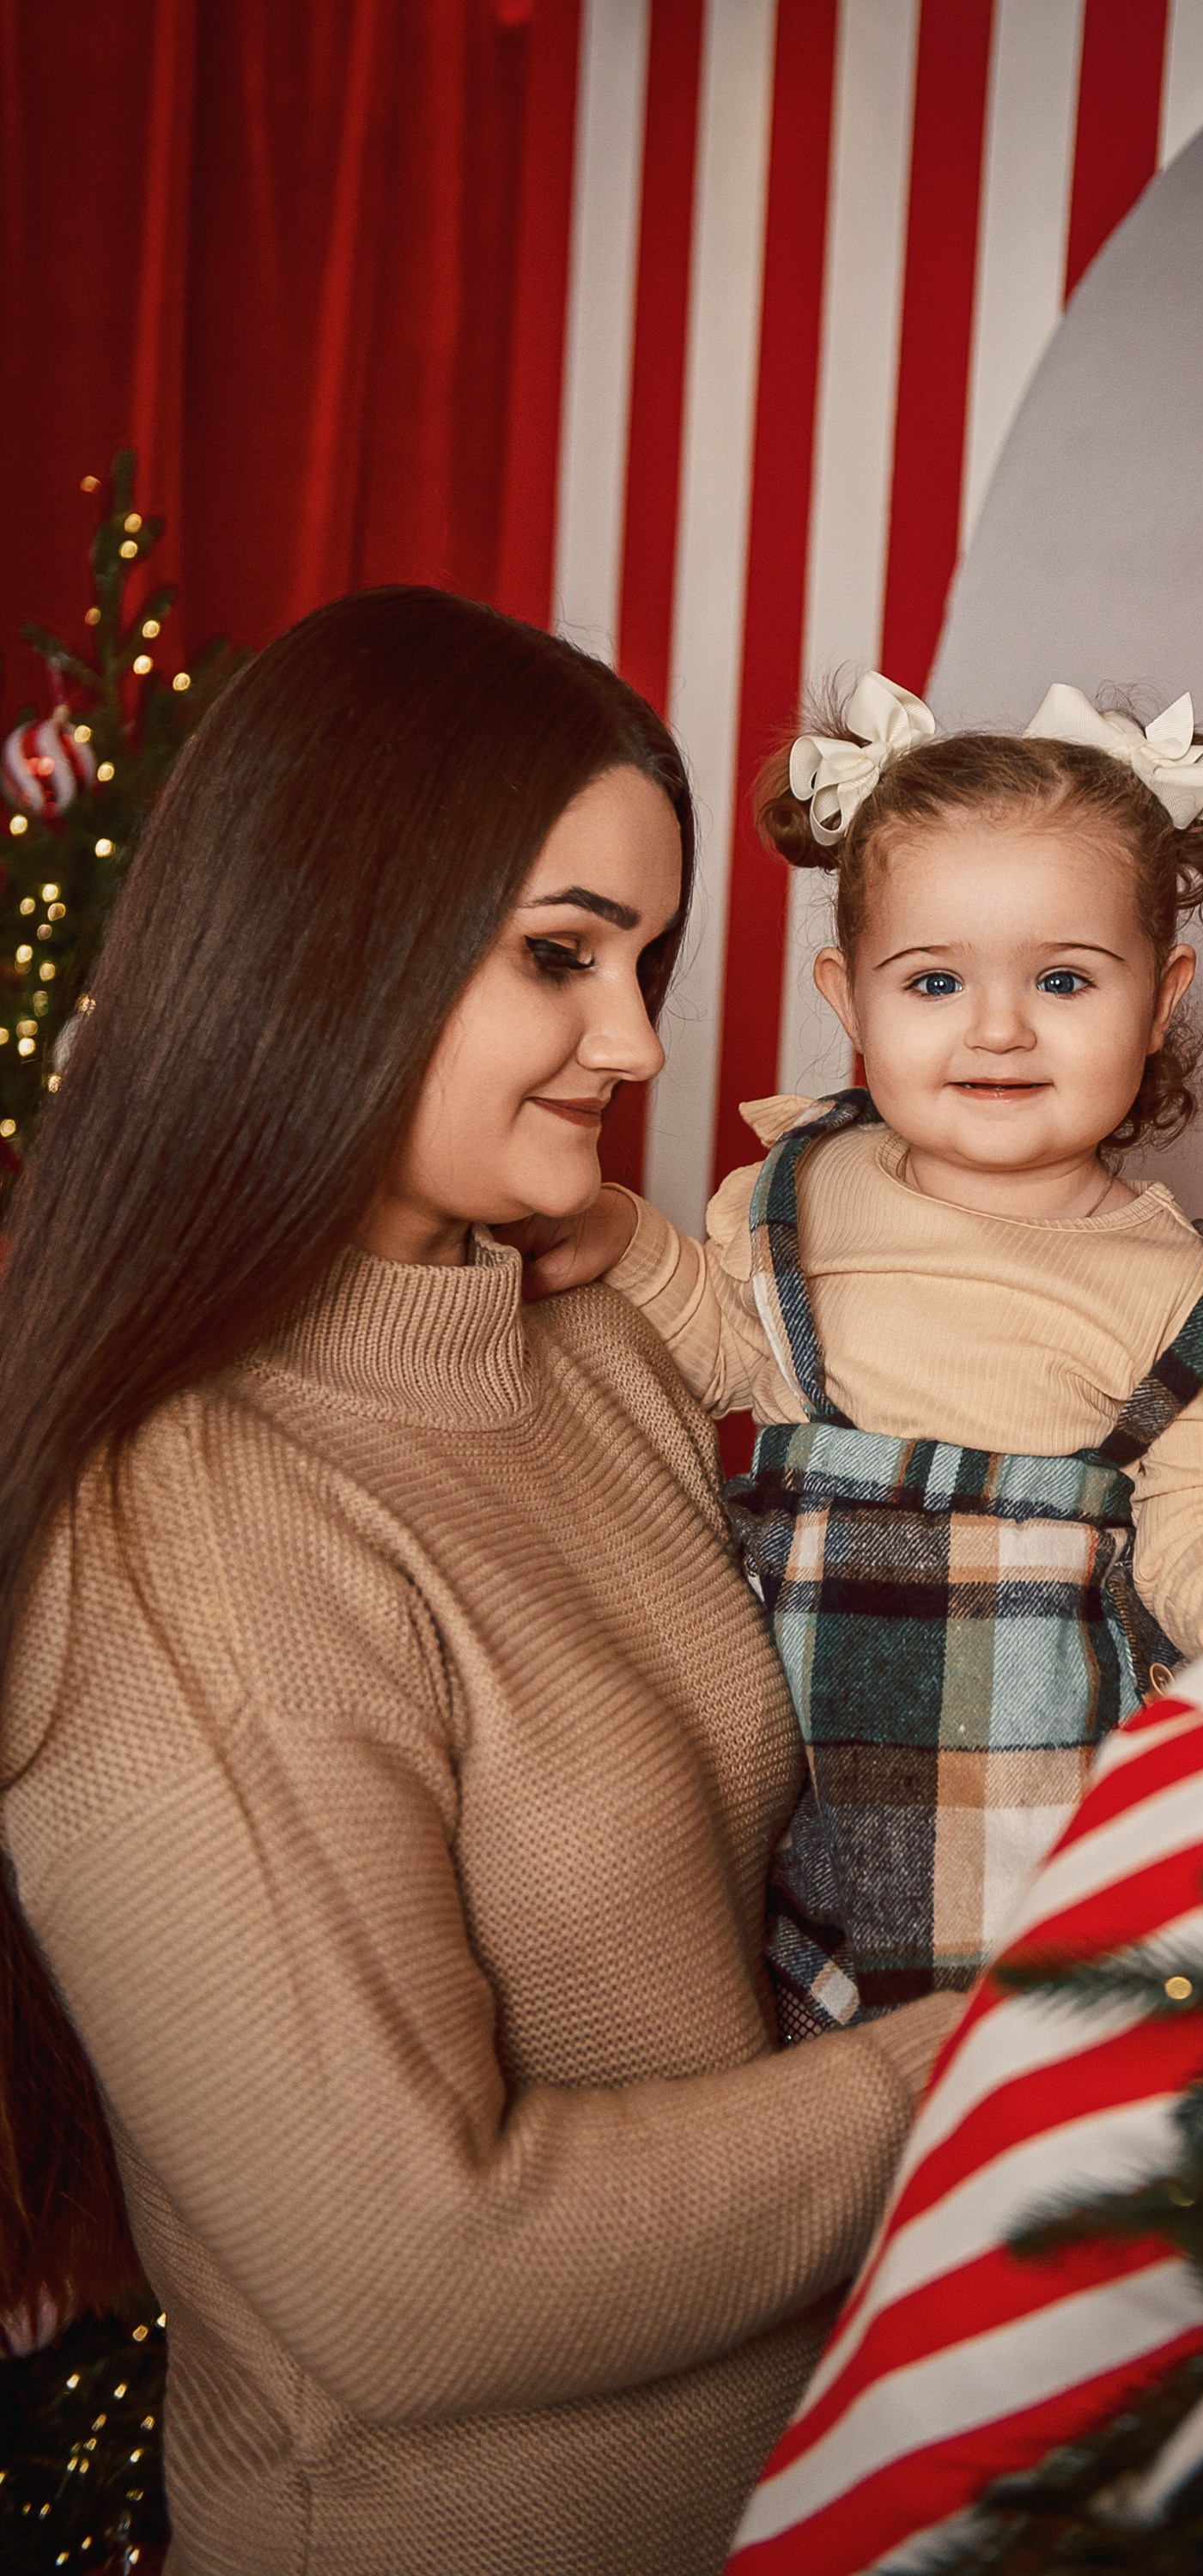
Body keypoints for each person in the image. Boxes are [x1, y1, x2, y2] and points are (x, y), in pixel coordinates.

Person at [0, 592, 957, 2576]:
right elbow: (421, 2273)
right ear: (327, 940)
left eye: (646, 958)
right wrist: (983, 2059)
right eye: (559, 958)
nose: (636, 1039)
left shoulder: (588, 1335)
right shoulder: (182, 1522)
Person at [526, 671, 1203, 2044]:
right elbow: (723, 1342)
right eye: (935, 980)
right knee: (780, 2099)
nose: (997, 1027)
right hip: (786, 1814)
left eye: (1064, 979)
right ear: (849, 998)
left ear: (1160, 998)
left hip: (1055, 1821)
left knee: (1047, 2104)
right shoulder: (799, 1196)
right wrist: (620, 1235)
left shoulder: (1194, 1288)